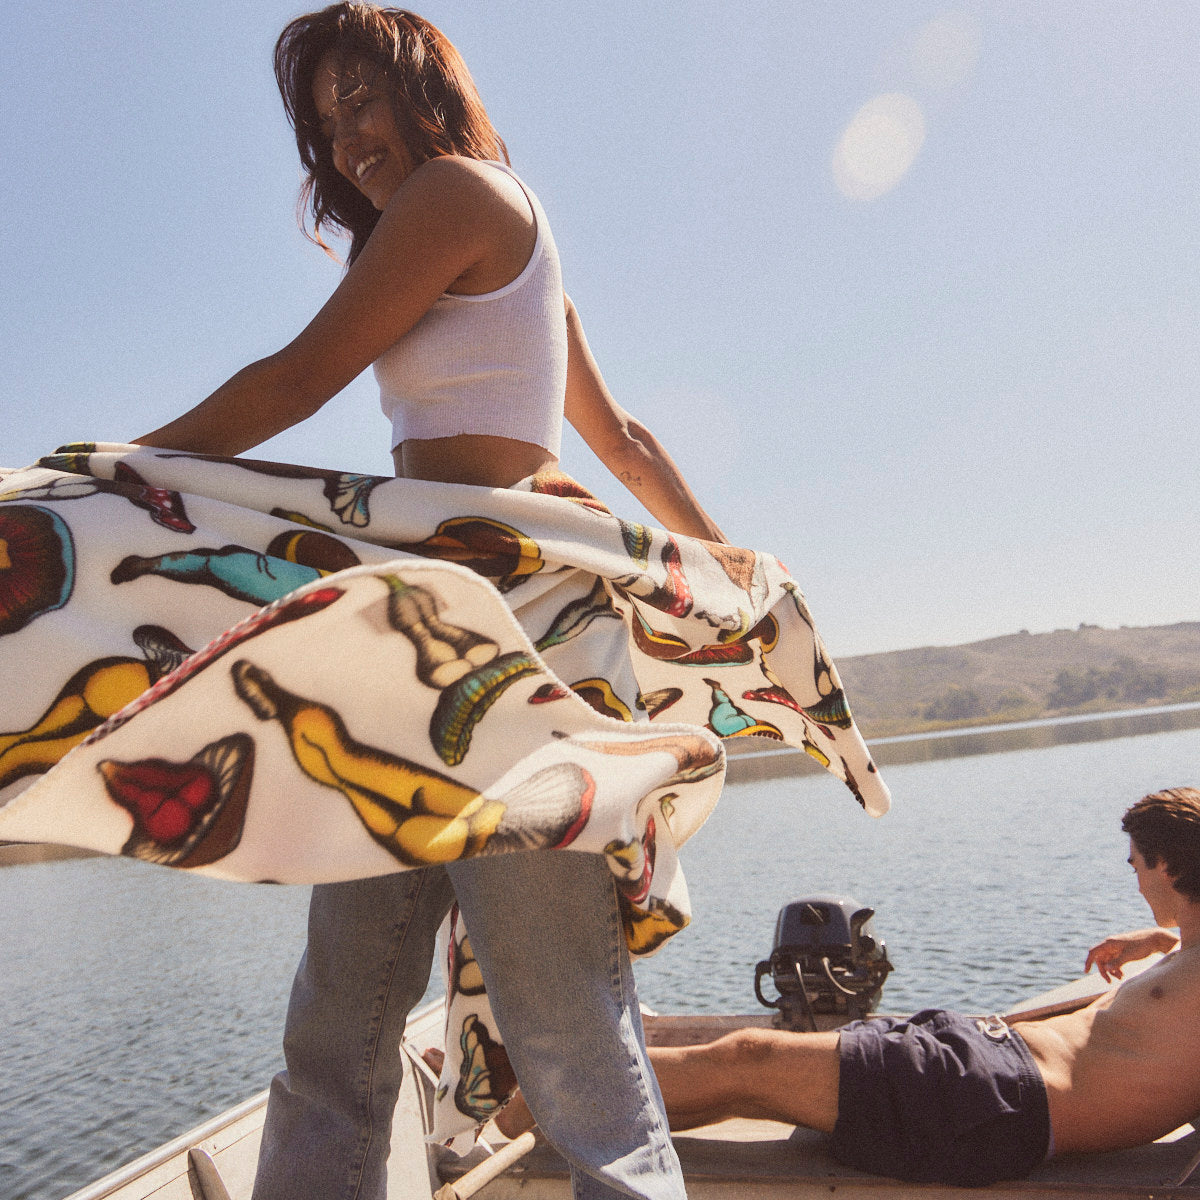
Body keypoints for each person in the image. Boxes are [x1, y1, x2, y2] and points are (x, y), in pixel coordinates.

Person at [126, 6, 718, 1199]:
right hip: (413, 649)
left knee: (568, 1037)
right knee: (336, 1030)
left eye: (361, 100)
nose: (345, 140)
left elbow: (296, 380)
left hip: (517, 657)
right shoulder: (466, 223)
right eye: (323, 120)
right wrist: (718, 549)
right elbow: (626, 440)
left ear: (424, 89)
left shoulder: (461, 197)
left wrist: (115, 468)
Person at [476, 787, 1200, 1188]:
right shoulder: (1182, 950)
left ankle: (510, 1114)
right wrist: (1157, 940)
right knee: (744, 1078)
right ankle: (547, 1106)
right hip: (978, 1061)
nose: (1132, 879)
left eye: (1137, 864)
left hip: (995, 1103)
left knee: (750, 1060)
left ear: (1170, 867)